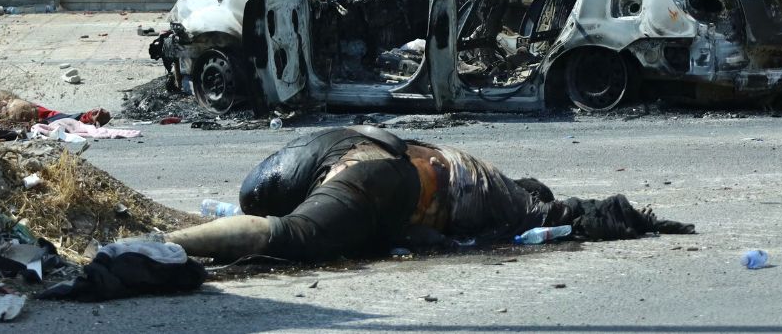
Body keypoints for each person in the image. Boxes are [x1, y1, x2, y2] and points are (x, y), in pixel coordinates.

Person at [167, 126, 694, 262]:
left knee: (298, 233)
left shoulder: (353, 183)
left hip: (422, 176)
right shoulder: (513, 200)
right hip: (414, 174)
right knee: (298, 235)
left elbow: (284, 227)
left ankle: (171, 242)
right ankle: (171, 242)